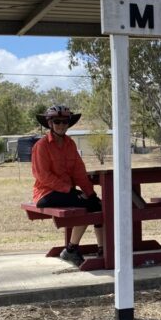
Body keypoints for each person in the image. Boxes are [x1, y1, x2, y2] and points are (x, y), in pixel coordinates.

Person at [31, 104, 104, 265]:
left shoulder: (70, 144)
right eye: (57, 121)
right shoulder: (41, 146)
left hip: (67, 192)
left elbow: (79, 172)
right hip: (46, 194)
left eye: (65, 122)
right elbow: (42, 175)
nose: (61, 125)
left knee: (97, 204)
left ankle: (102, 249)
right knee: (86, 204)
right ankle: (71, 250)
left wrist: (90, 193)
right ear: (50, 124)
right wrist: (70, 190)